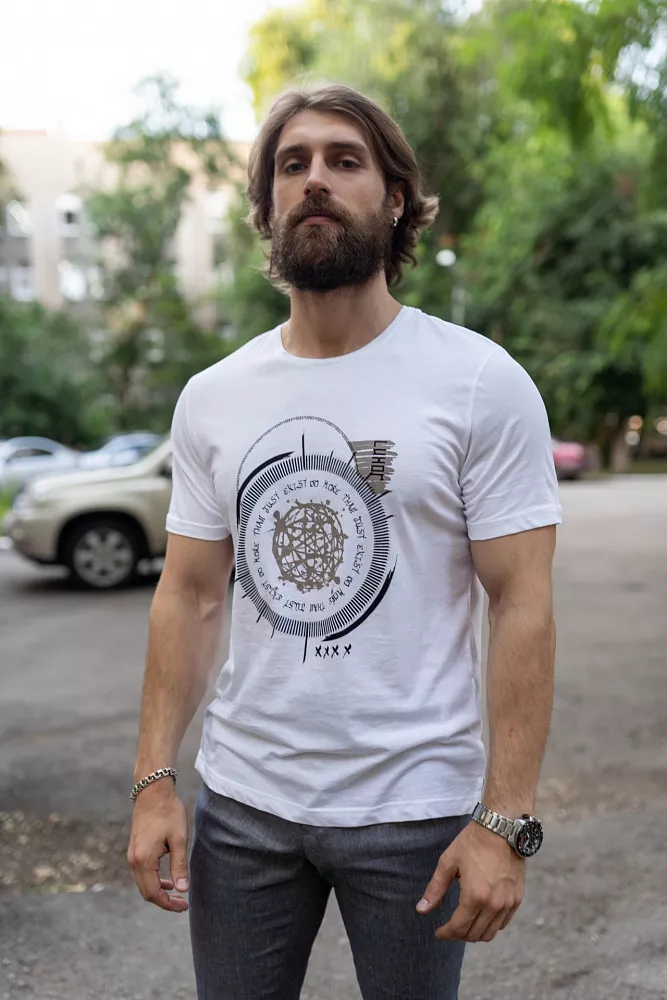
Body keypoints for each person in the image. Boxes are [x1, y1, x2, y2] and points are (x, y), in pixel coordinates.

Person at [128, 83, 562, 1000]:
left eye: (344, 160)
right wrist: (154, 779)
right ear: (267, 206)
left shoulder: (478, 381)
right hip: (242, 806)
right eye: (292, 165)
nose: (315, 179)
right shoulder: (213, 397)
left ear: (394, 197)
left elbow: (521, 600)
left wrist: (505, 820)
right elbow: (191, 594)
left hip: (415, 813)